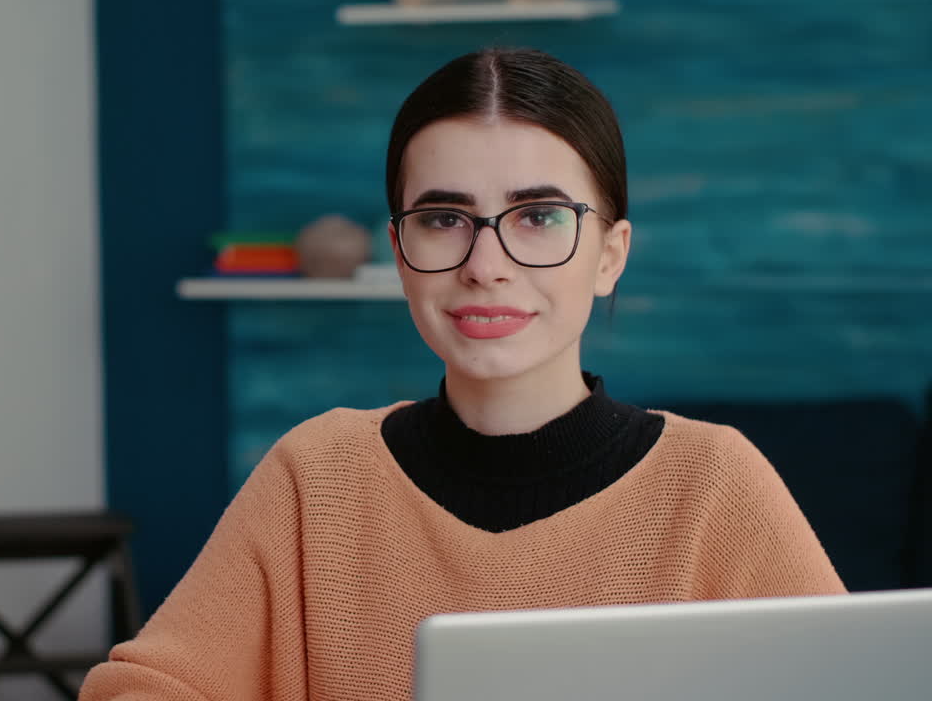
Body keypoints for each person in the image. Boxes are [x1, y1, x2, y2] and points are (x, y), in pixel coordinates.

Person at [79, 47, 844, 701]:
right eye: (445, 220)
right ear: (398, 248)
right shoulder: (316, 478)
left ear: (610, 255)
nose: (486, 268)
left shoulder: (714, 485)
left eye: (538, 217)